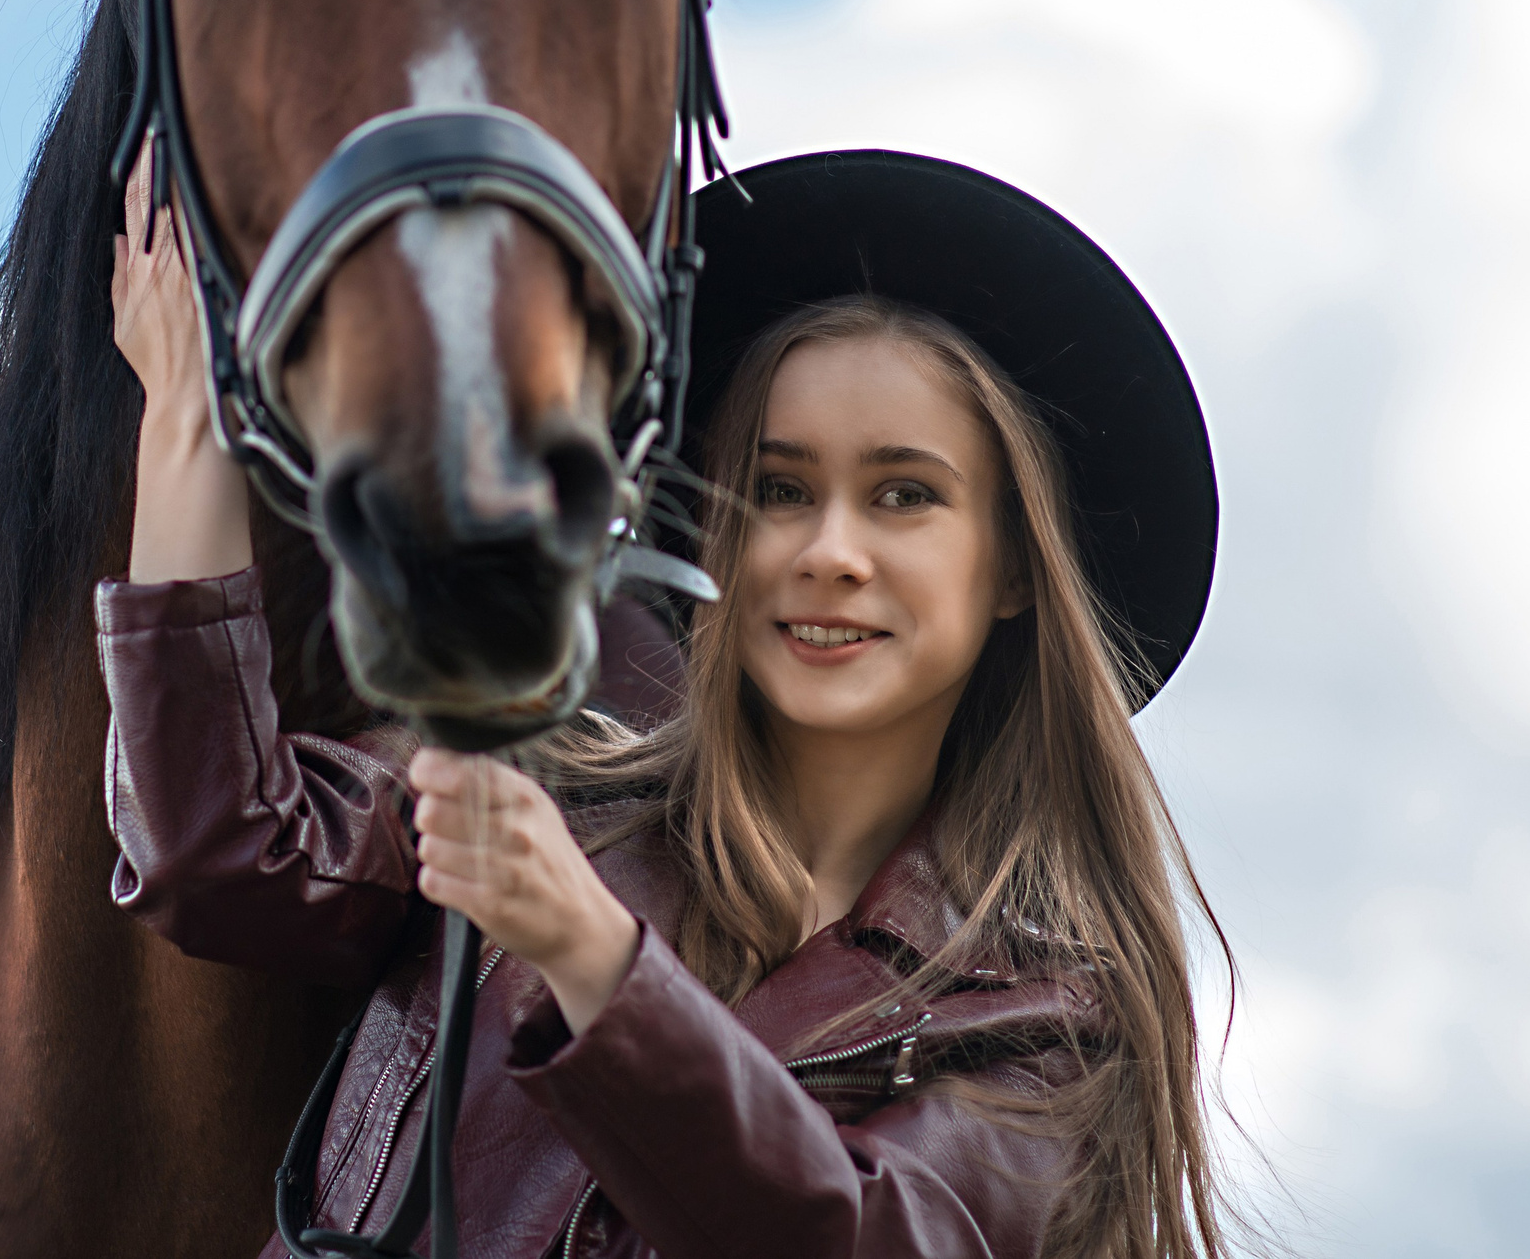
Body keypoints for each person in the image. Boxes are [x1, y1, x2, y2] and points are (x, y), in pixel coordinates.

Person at [101, 149, 1238, 1259]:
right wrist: (187, 416)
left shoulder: (1042, 1018)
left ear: (1014, 568)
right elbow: (218, 848)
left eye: (903, 495)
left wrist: (592, 955)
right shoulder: (550, 798)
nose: (829, 551)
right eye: (780, 489)